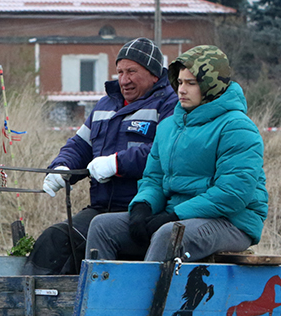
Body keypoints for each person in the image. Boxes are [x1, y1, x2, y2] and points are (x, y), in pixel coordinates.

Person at [84, 45, 267, 263]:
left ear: (211, 86)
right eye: (179, 82)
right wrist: (143, 206)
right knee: (102, 226)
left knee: (169, 234)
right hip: (178, 216)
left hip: (231, 221)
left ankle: (148, 297)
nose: (181, 90)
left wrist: (174, 215)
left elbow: (233, 193)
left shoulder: (237, 127)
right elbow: (154, 178)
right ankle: (99, 295)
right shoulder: (168, 126)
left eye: (191, 83)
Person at [29, 38, 178, 274]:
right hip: (101, 206)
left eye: (132, 71)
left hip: (144, 209)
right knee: (54, 241)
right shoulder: (104, 105)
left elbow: (164, 152)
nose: (124, 79)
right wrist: (62, 168)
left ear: (153, 74)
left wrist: (116, 163)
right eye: (120, 72)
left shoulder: (171, 105)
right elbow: (80, 144)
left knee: (80, 248)